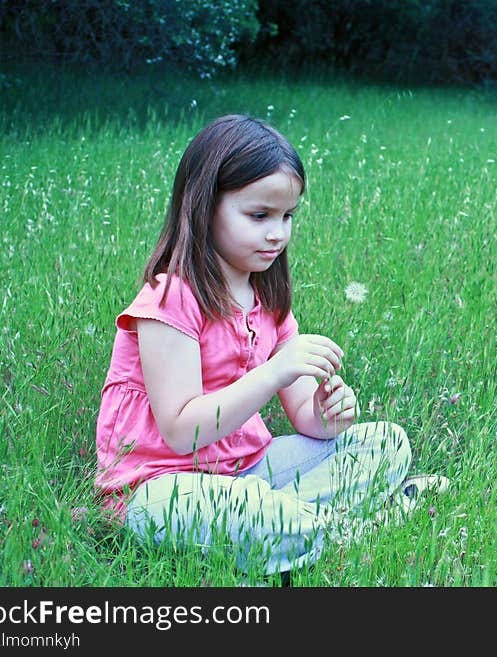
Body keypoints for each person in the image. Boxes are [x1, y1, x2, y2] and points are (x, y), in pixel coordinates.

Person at [95, 114, 448, 579]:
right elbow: (182, 432)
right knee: (245, 512)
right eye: (259, 215)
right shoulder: (171, 298)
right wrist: (273, 371)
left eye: (287, 217)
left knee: (386, 442)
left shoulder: (269, 301)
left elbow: (306, 418)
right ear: (203, 206)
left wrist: (329, 414)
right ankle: (359, 526)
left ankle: (295, 525)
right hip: (163, 488)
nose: (277, 233)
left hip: (248, 472)